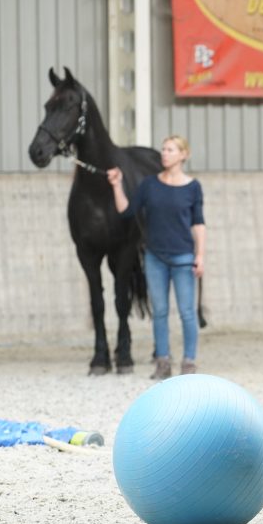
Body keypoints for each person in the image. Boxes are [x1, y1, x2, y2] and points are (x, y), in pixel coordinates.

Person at [107, 135, 205, 380]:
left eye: (170, 150)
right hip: (155, 258)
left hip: (183, 258)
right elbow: (126, 211)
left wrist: (200, 254)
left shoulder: (193, 187)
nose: (164, 154)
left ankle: (189, 362)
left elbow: (198, 223)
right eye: (163, 149)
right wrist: (117, 186)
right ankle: (163, 362)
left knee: (187, 312)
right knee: (159, 311)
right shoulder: (150, 185)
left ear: (183, 155)